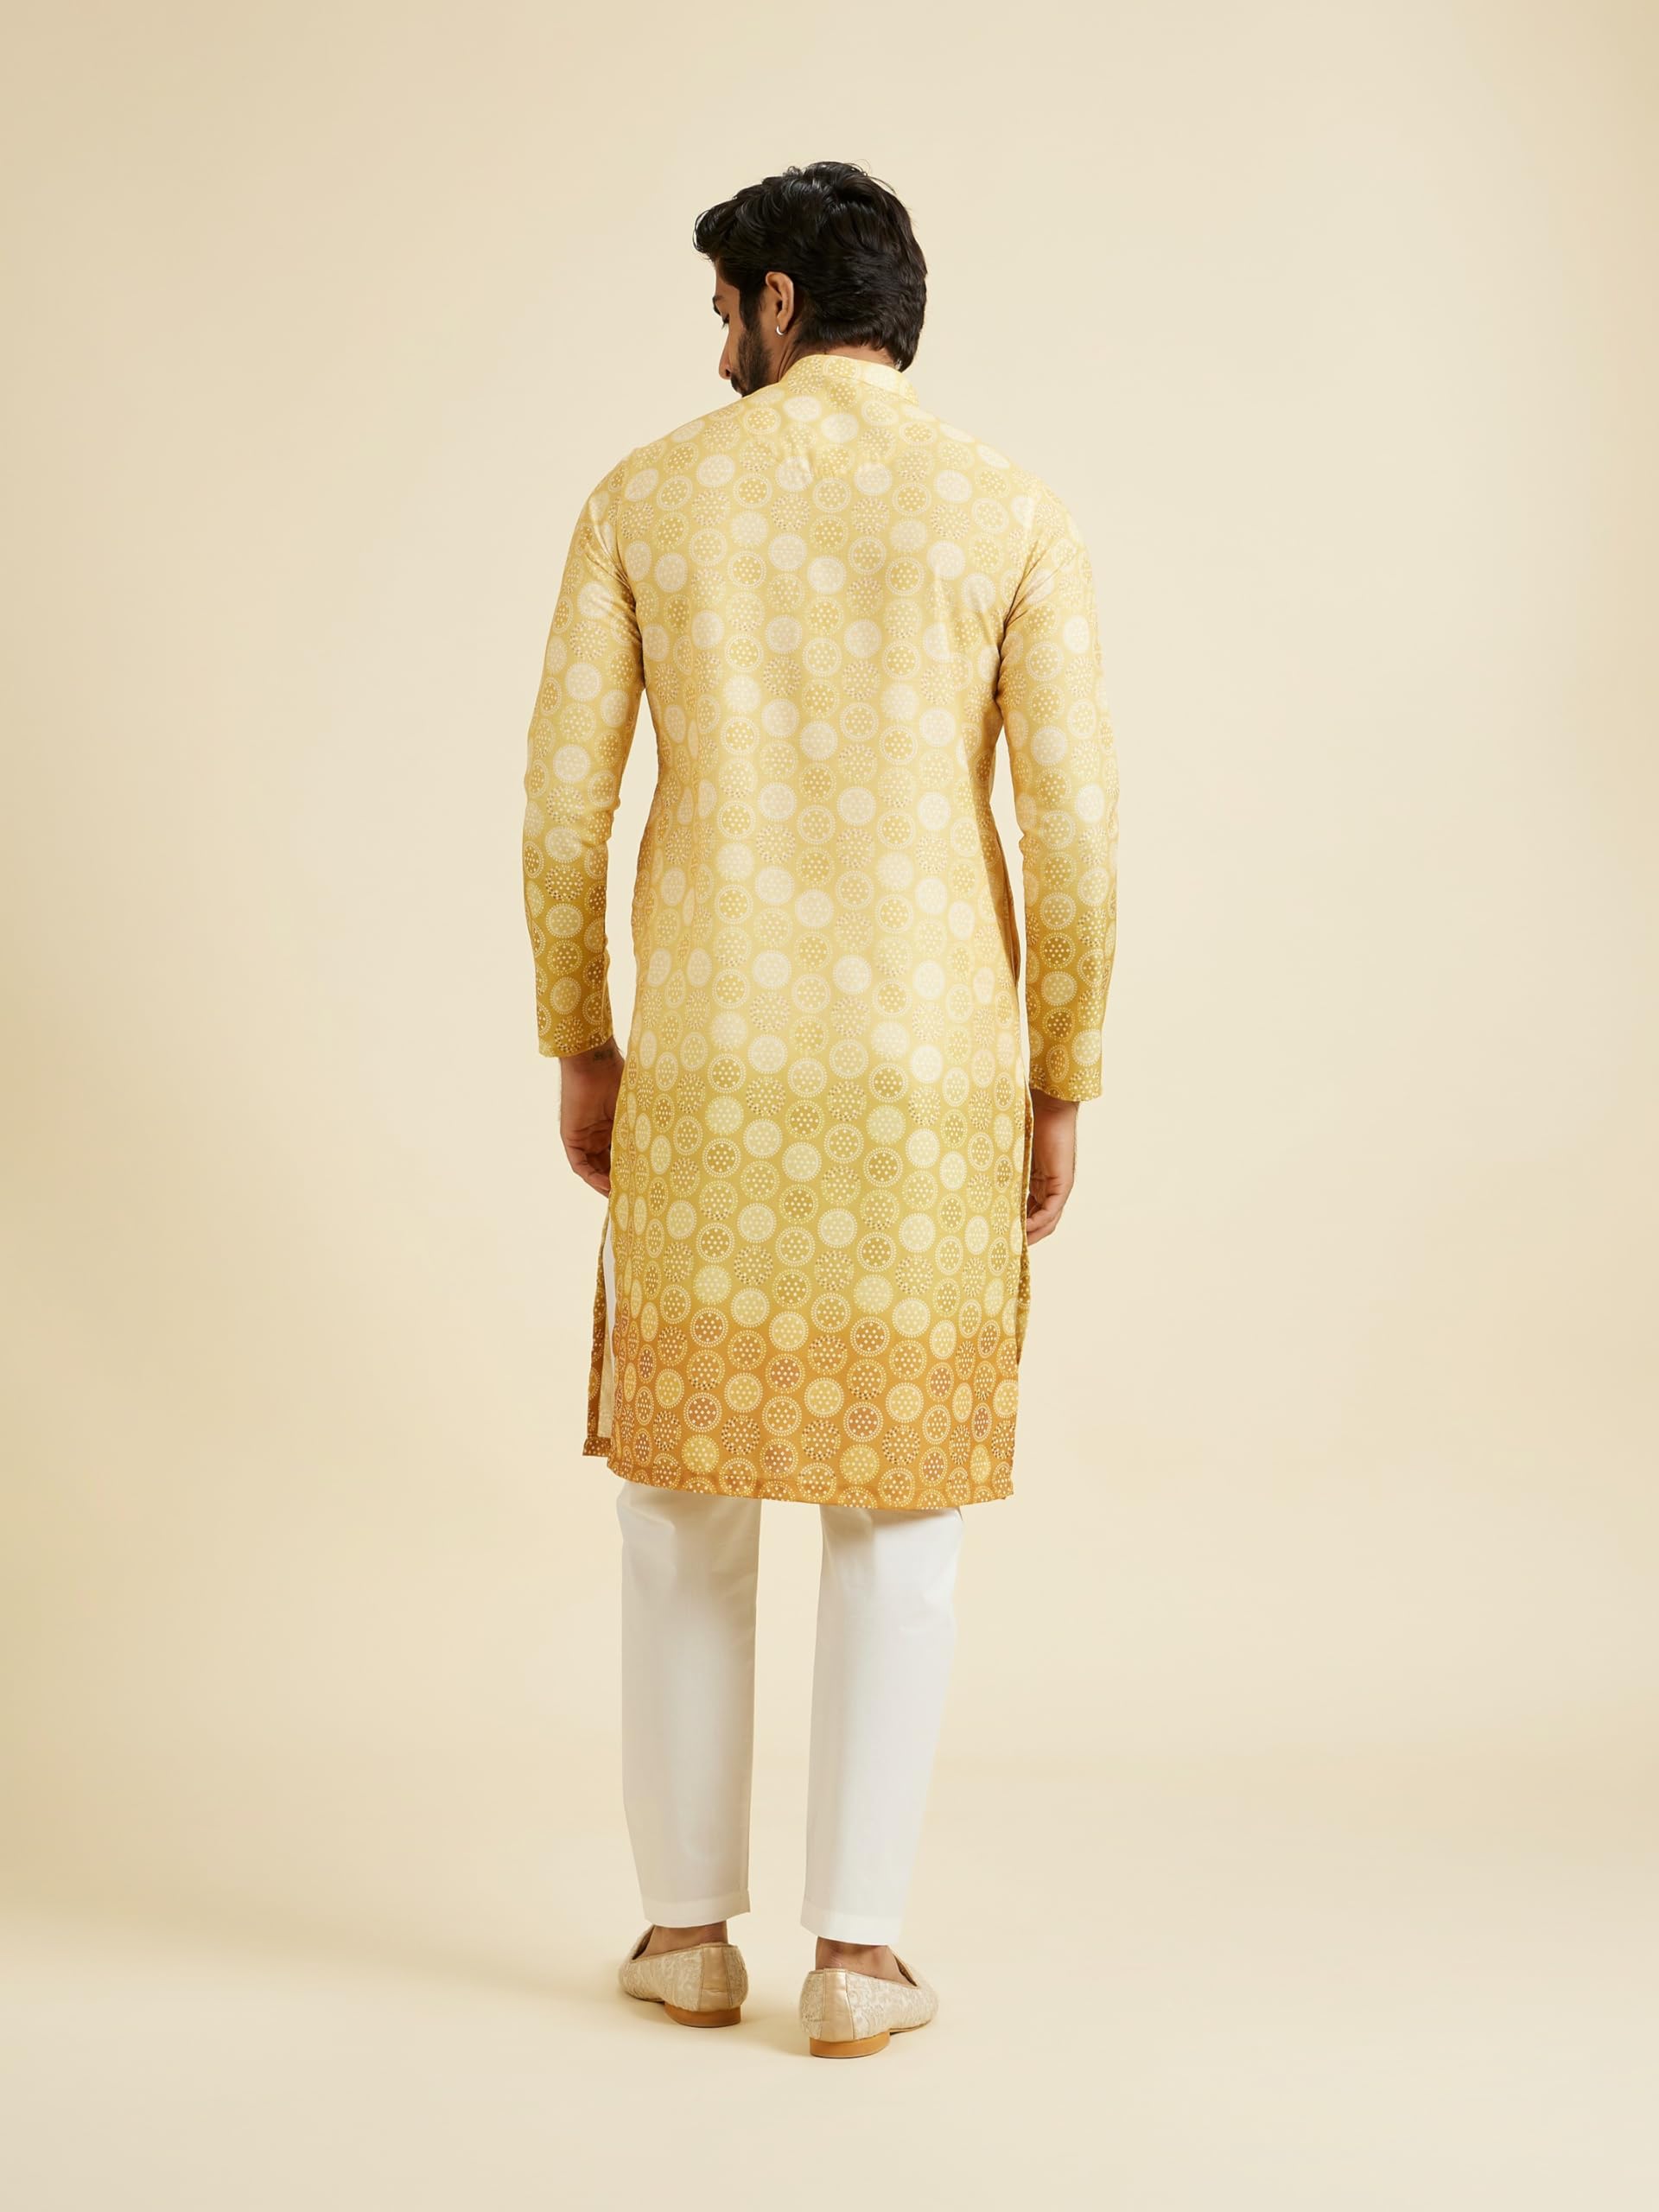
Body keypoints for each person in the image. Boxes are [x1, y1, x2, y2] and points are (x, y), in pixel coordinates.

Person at [520, 161, 1118, 2058]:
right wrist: (1061, 1070)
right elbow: (1077, 835)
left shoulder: (645, 499)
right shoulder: (1010, 512)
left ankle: (686, 1934)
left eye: (726, 309)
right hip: (930, 1084)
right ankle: (857, 1960)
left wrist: (583, 1034)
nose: (717, 346)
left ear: (783, 301)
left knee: (680, 1501)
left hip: (710, 1070)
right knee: (900, 1509)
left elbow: (562, 809)